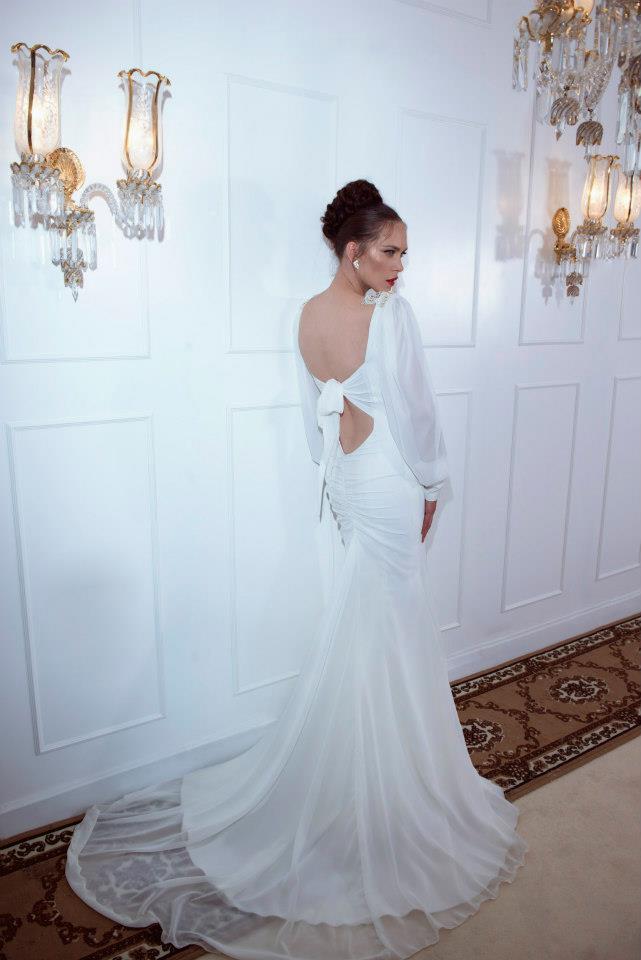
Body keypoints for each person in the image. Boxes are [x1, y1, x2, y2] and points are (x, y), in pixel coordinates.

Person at [65, 179, 528, 960]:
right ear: (352, 251)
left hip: (346, 477)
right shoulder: (390, 316)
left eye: (403, 254)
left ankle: (364, 775)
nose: (399, 266)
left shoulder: (307, 315)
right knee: (392, 626)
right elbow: (415, 413)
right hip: (387, 475)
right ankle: (389, 793)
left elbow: (315, 410)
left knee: (371, 623)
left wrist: (340, 470)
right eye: (389, 251)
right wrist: (433, 486)